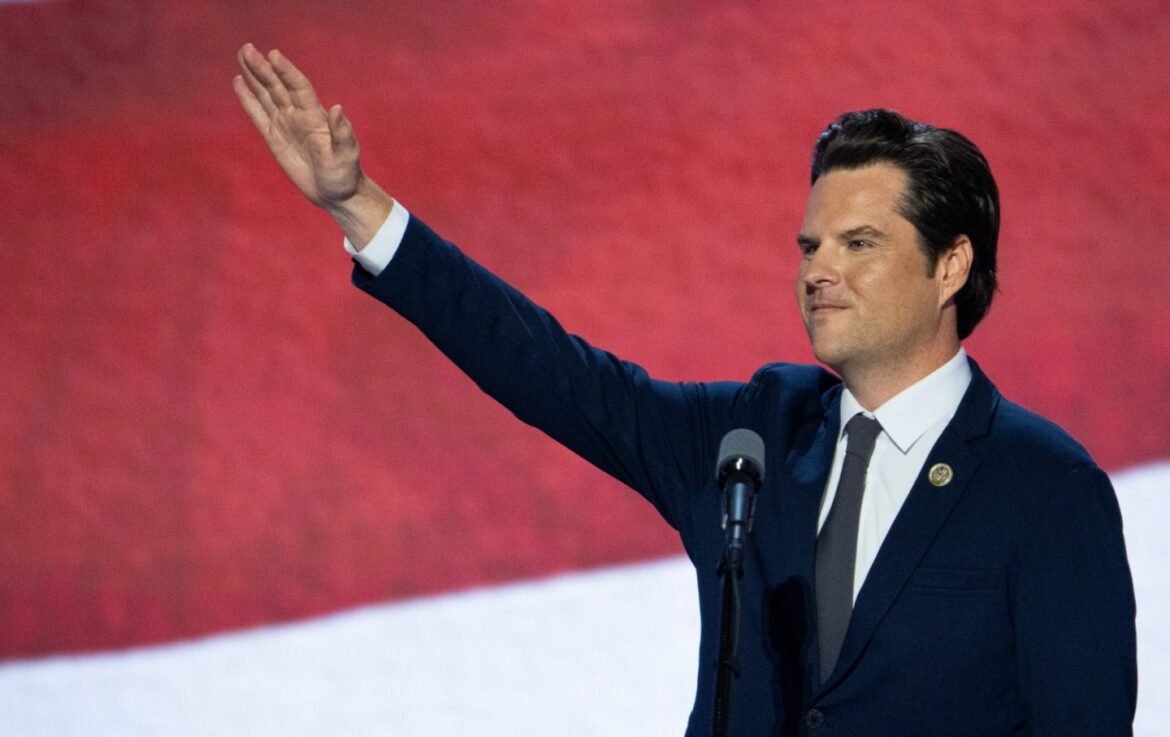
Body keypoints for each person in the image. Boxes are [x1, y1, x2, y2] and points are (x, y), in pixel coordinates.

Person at [233, 43, 1137, 736]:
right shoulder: (752, 438)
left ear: (951, 265)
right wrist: (358, 206)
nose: (818, 269)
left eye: (858, 244)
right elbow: (551, 372)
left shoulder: (1043, 487)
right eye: (810, 246)